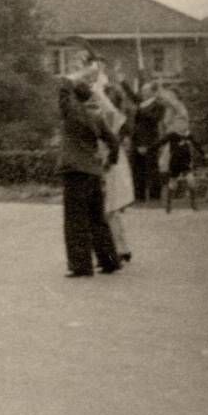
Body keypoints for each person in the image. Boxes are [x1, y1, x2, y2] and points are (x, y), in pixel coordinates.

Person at [59, 70, 121, 277]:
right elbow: (113, 141)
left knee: (76, 220)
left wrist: (74, 74)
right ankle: (110, 260)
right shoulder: (96, 117)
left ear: (74, 97)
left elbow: (63, 88)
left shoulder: (72, 113)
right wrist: (110, 162)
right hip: (94, 172)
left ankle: (81, 265)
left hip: (75, 171)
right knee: (97, 218)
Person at [89, 76, 135, 262]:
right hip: (112, 161)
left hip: (111, 162)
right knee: (110, 208)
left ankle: (116, 248)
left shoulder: (112, 116)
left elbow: (104, 103)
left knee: (108, 207)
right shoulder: (113, 117)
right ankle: (121, 247)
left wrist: (95, 84)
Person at [125, 81, 165, 202]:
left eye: (145, 90)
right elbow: (132, 95)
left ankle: (154, 196)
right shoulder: (141, 103)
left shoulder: (158, 105)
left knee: (151, 169)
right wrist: (123, 81)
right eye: (142, 91)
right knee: (137, 169)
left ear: (152, 92)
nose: (142, 93)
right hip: (136, 140)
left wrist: (141, 108)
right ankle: (139, 196)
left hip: (149, 141)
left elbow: (154, 120)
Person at [158, 129, 204, 212]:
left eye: (183, 122)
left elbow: (197, 145)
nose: (181, 125)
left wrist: (204, 153)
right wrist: (152, 149)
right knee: (172, 184)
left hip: (186, 163)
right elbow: (161, 142)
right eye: (179, 122)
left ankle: (193, 203)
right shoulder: (172, 135)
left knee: (191, 181)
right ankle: (169, 204)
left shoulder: (189, 135)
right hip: (175, 163)